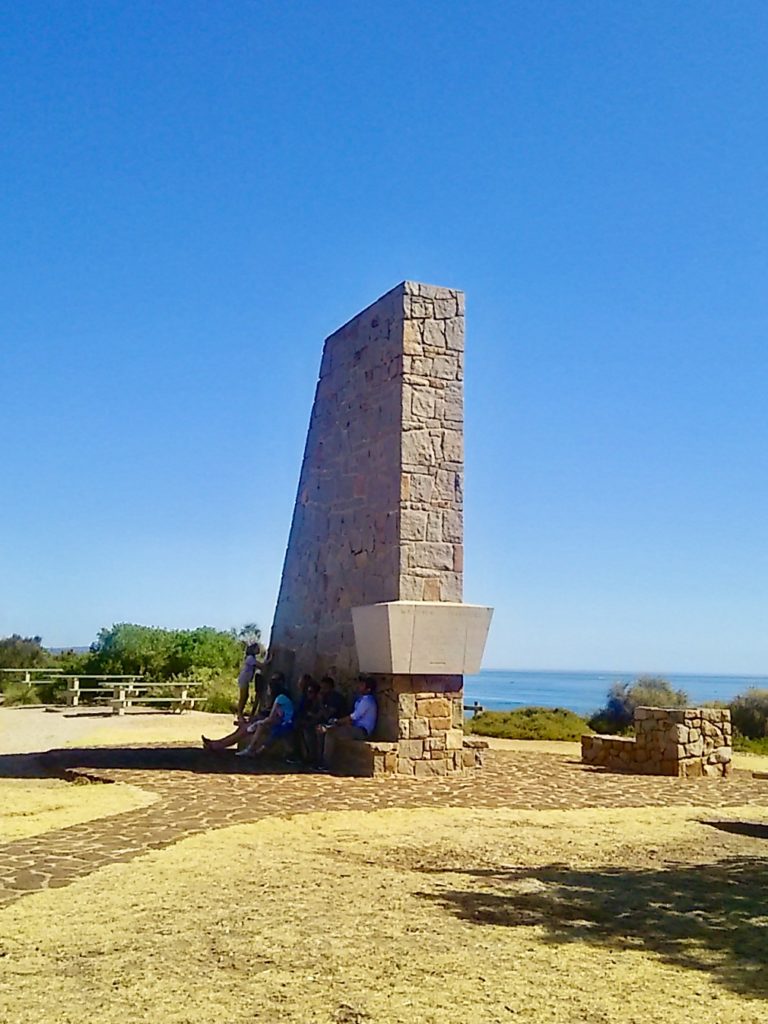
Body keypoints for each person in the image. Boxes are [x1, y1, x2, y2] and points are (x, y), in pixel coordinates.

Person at [315, 677, 377, 772]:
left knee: (331, 733)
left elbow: (353, 717)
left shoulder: (367, 700)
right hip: (354, 727)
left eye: (362, 685)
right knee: (323, 731)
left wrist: (337, 722)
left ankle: (325, 764)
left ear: (368, 689)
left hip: (361, 731)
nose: (358, 686)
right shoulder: (360, 700)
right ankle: (319, 759)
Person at [235, 679, 295, 758]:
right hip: (283, 721)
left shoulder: (280, 699)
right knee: (260, 724)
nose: (267, 690)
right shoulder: (281, 697)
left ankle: (250, 749)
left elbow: (271, 718)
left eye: (268, 688)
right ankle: (251, 748)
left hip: (286, 723)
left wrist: (258, 723)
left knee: (260, 725)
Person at [235, 642, 261, 720]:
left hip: (245, 679)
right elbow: (261, 666)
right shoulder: (250, 658)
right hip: (244, 679)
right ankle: (239, 714)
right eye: (257, 648)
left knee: (245, 696)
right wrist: (270, 659)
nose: (259, 649)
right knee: (243, 697)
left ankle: (240, 714)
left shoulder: (252, 658)